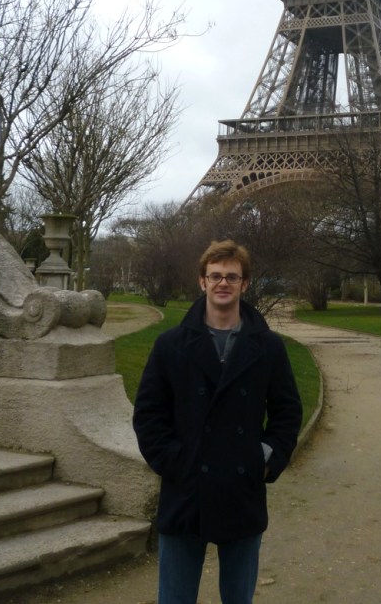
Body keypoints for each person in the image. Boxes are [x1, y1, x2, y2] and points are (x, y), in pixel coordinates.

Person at [133, 238, 303, 604]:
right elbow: (148, 415)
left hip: (242, 490)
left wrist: (264, 458)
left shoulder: (268, 347)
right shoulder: (170, 345)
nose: (223, 283)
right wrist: (176, 461)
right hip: (186, 490)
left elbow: (287, 412)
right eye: (215, 276)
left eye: (231, 276)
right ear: (202, 281)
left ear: (245, 284)